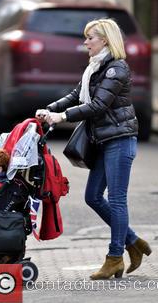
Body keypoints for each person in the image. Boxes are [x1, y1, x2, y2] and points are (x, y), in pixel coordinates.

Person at [36, 18, 152, 280]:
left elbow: (98, 105)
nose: (85, 42)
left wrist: (63, 117)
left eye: (90, 37)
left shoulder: (116, 69)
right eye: (86, 37)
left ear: (105, 40)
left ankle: (114, 258)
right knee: (92, 197)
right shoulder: (94, 67)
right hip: (103, 140)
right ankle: (132, 241)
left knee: (117, 199)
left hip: (120, 140)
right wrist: (51, 109)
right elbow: (77, 95)